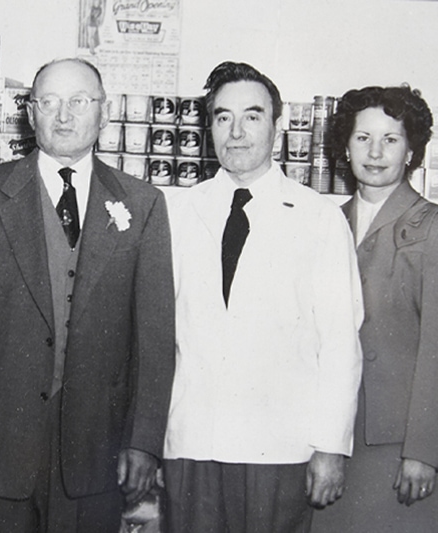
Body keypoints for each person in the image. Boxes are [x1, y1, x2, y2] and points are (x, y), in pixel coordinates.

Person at [0, 58, 175, 533]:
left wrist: (143, 441)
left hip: (97, 451)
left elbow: (155, 333)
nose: (64, 116)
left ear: (104, 113)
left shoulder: (142, 205)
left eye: (80, 102)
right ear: (30, 113)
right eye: (49, 102)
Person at [162, 61, 364, 533]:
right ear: (208, 125)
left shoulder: (319, 218)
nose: (236, 132)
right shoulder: (177, 212)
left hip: (279, 448)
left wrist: (331, 446)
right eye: (222, 117)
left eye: (252, 116)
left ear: (278, 126)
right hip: (193, 441)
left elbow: (339, 342)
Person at [311, 85, 438, 533]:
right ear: (344, 147)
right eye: (363, 137)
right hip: (331, 436)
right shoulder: (324, 222)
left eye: (391, 139)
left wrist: (424, 451)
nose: (376, 151)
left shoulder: (433, 226)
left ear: (411, 151)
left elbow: (436, 350)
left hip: (399, 443)